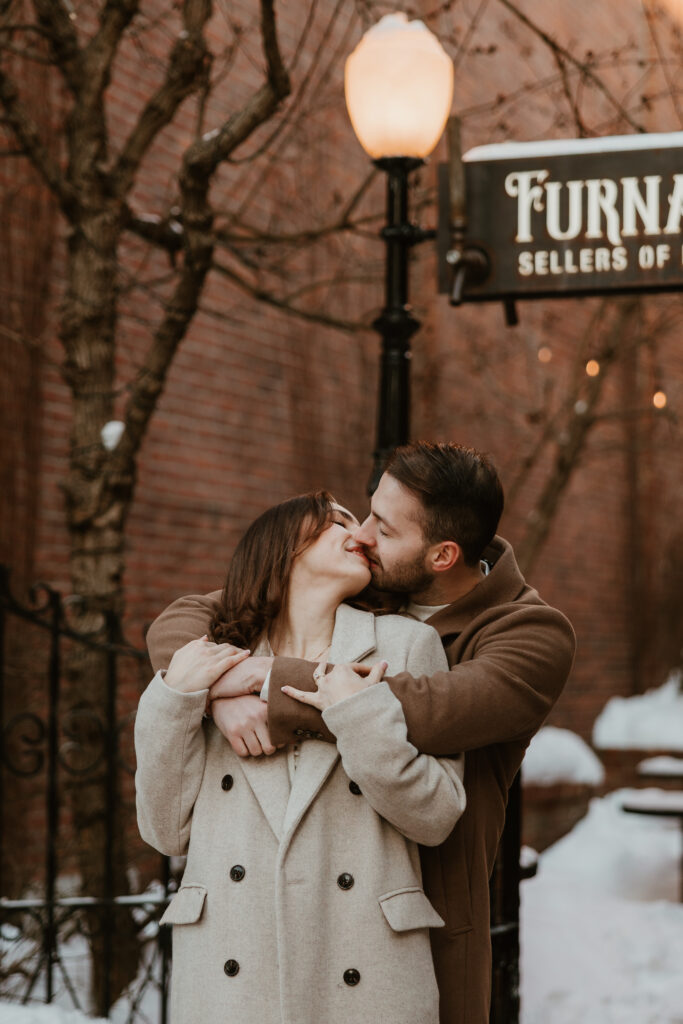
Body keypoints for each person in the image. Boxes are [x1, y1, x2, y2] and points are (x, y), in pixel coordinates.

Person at [147, 441, 576, 1024]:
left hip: (423, 910)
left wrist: (270, 682)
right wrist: (211, 690)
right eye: (364, 514)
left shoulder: (528, 633)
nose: (363, 533)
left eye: (384, 527)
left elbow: (430, 709)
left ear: (442, 555)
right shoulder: (372, 583)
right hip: (256, 940)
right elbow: (196, 615)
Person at [135, 492, 466, 1024]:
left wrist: (358, 717)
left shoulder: (407, 646)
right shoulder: (211, 663)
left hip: (366, 968)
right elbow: (164, 830)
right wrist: (184, 700)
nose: (359, 535)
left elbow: (436, 816)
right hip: (230, 980)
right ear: (282, 546)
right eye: (339, 520)